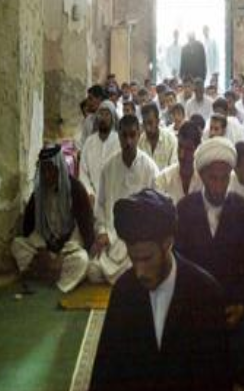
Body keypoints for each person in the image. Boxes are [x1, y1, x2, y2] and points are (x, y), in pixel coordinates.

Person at [76, 189, 239, 391]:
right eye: (133, 258)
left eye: (147, 258)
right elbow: (107, 376)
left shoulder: (205, 293)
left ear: (167, 243)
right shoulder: (124, 292)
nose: (138, 271)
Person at [175, 138, 244, 386]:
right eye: (213, 178)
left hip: (235, 310)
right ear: (202, 176)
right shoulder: (185, 210)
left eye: (224, 178)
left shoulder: (241, 210)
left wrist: (242, 307)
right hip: (197, 311)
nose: (218, 186)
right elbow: (178, 268)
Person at [87, 114, 161, 284]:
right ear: (118, 136)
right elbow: (100, 206)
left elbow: (156, 210)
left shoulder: (150, 168)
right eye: (124, 136)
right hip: (112, 241)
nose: (128, 141)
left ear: (139, 134)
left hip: (139, 240)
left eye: (132, 135)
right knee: (93, 271)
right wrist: (102, 232)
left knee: (135, 267)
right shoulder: (109, 167)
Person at [11, 145, 95, 292]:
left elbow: (81, 231)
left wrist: (60, 258)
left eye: (51, 170)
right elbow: (31, 228)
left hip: (67, 254)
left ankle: (47, 276)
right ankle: (47, 272)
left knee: (82, 261)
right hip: (45, 251)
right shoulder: (38, 194)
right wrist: (42, 251)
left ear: (60, 168)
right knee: (17, 245)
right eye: (44, 171)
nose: (47, 175)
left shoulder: (76, 190)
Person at [79, 101, 120, 203]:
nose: (103, 118)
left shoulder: (119, 142)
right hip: (92, 200)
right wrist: (89, 193)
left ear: (112, 118)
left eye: (107, 114)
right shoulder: (89, 142)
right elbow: (83, 172)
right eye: (101, 114)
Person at [154, 121, 203, 203]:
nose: (181, 155)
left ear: (198, 150)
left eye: (188, 149)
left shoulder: (204, 180)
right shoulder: (164, 179)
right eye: (180, 147)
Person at [139, 102, 178, 170]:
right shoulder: (140, 142)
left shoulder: (171, 140)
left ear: (158, 121)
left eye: (150, 123)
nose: (147, 128)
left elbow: (173, 169)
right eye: (145, 123)